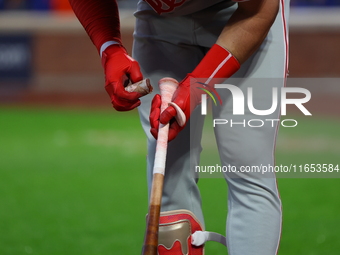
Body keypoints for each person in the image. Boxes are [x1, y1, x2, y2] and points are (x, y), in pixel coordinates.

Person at [68, 0, 290, 254]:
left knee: (247, 169)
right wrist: (109, 48)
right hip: (161, 24)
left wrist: (198, 86)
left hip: (244, 19)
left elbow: (258, 11)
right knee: (169, 188)